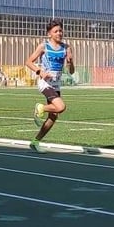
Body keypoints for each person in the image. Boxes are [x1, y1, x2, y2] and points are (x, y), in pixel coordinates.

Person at [25, 19, 75, 152]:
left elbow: (71, 71)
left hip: (56, 84)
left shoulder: (66, 48)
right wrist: (40, 71)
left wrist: (70, 62)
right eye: (56, 31)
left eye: (60, 30)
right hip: (45, 82)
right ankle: (40, 107)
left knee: (53, 116)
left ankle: (35, 142)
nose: (59, 33)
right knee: (61, 107)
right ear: (49, 34)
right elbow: (28, 62)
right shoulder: (44, 46)